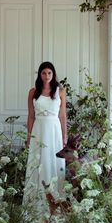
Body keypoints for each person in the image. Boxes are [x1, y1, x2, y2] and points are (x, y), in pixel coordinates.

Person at [23, 61, 67, 210]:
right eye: (44, 73)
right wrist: (29, 136)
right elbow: (30, 116)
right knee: (39, 161)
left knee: (53, 161)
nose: (47, 76)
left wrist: (65, 135)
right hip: (39, 130)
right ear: (40, 74)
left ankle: (56, 199)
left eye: (49, 73)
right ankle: (36, 200)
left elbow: (62, 116)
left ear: (53, 74)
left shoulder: (60, 92)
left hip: (54, 130)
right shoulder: (33, 92)